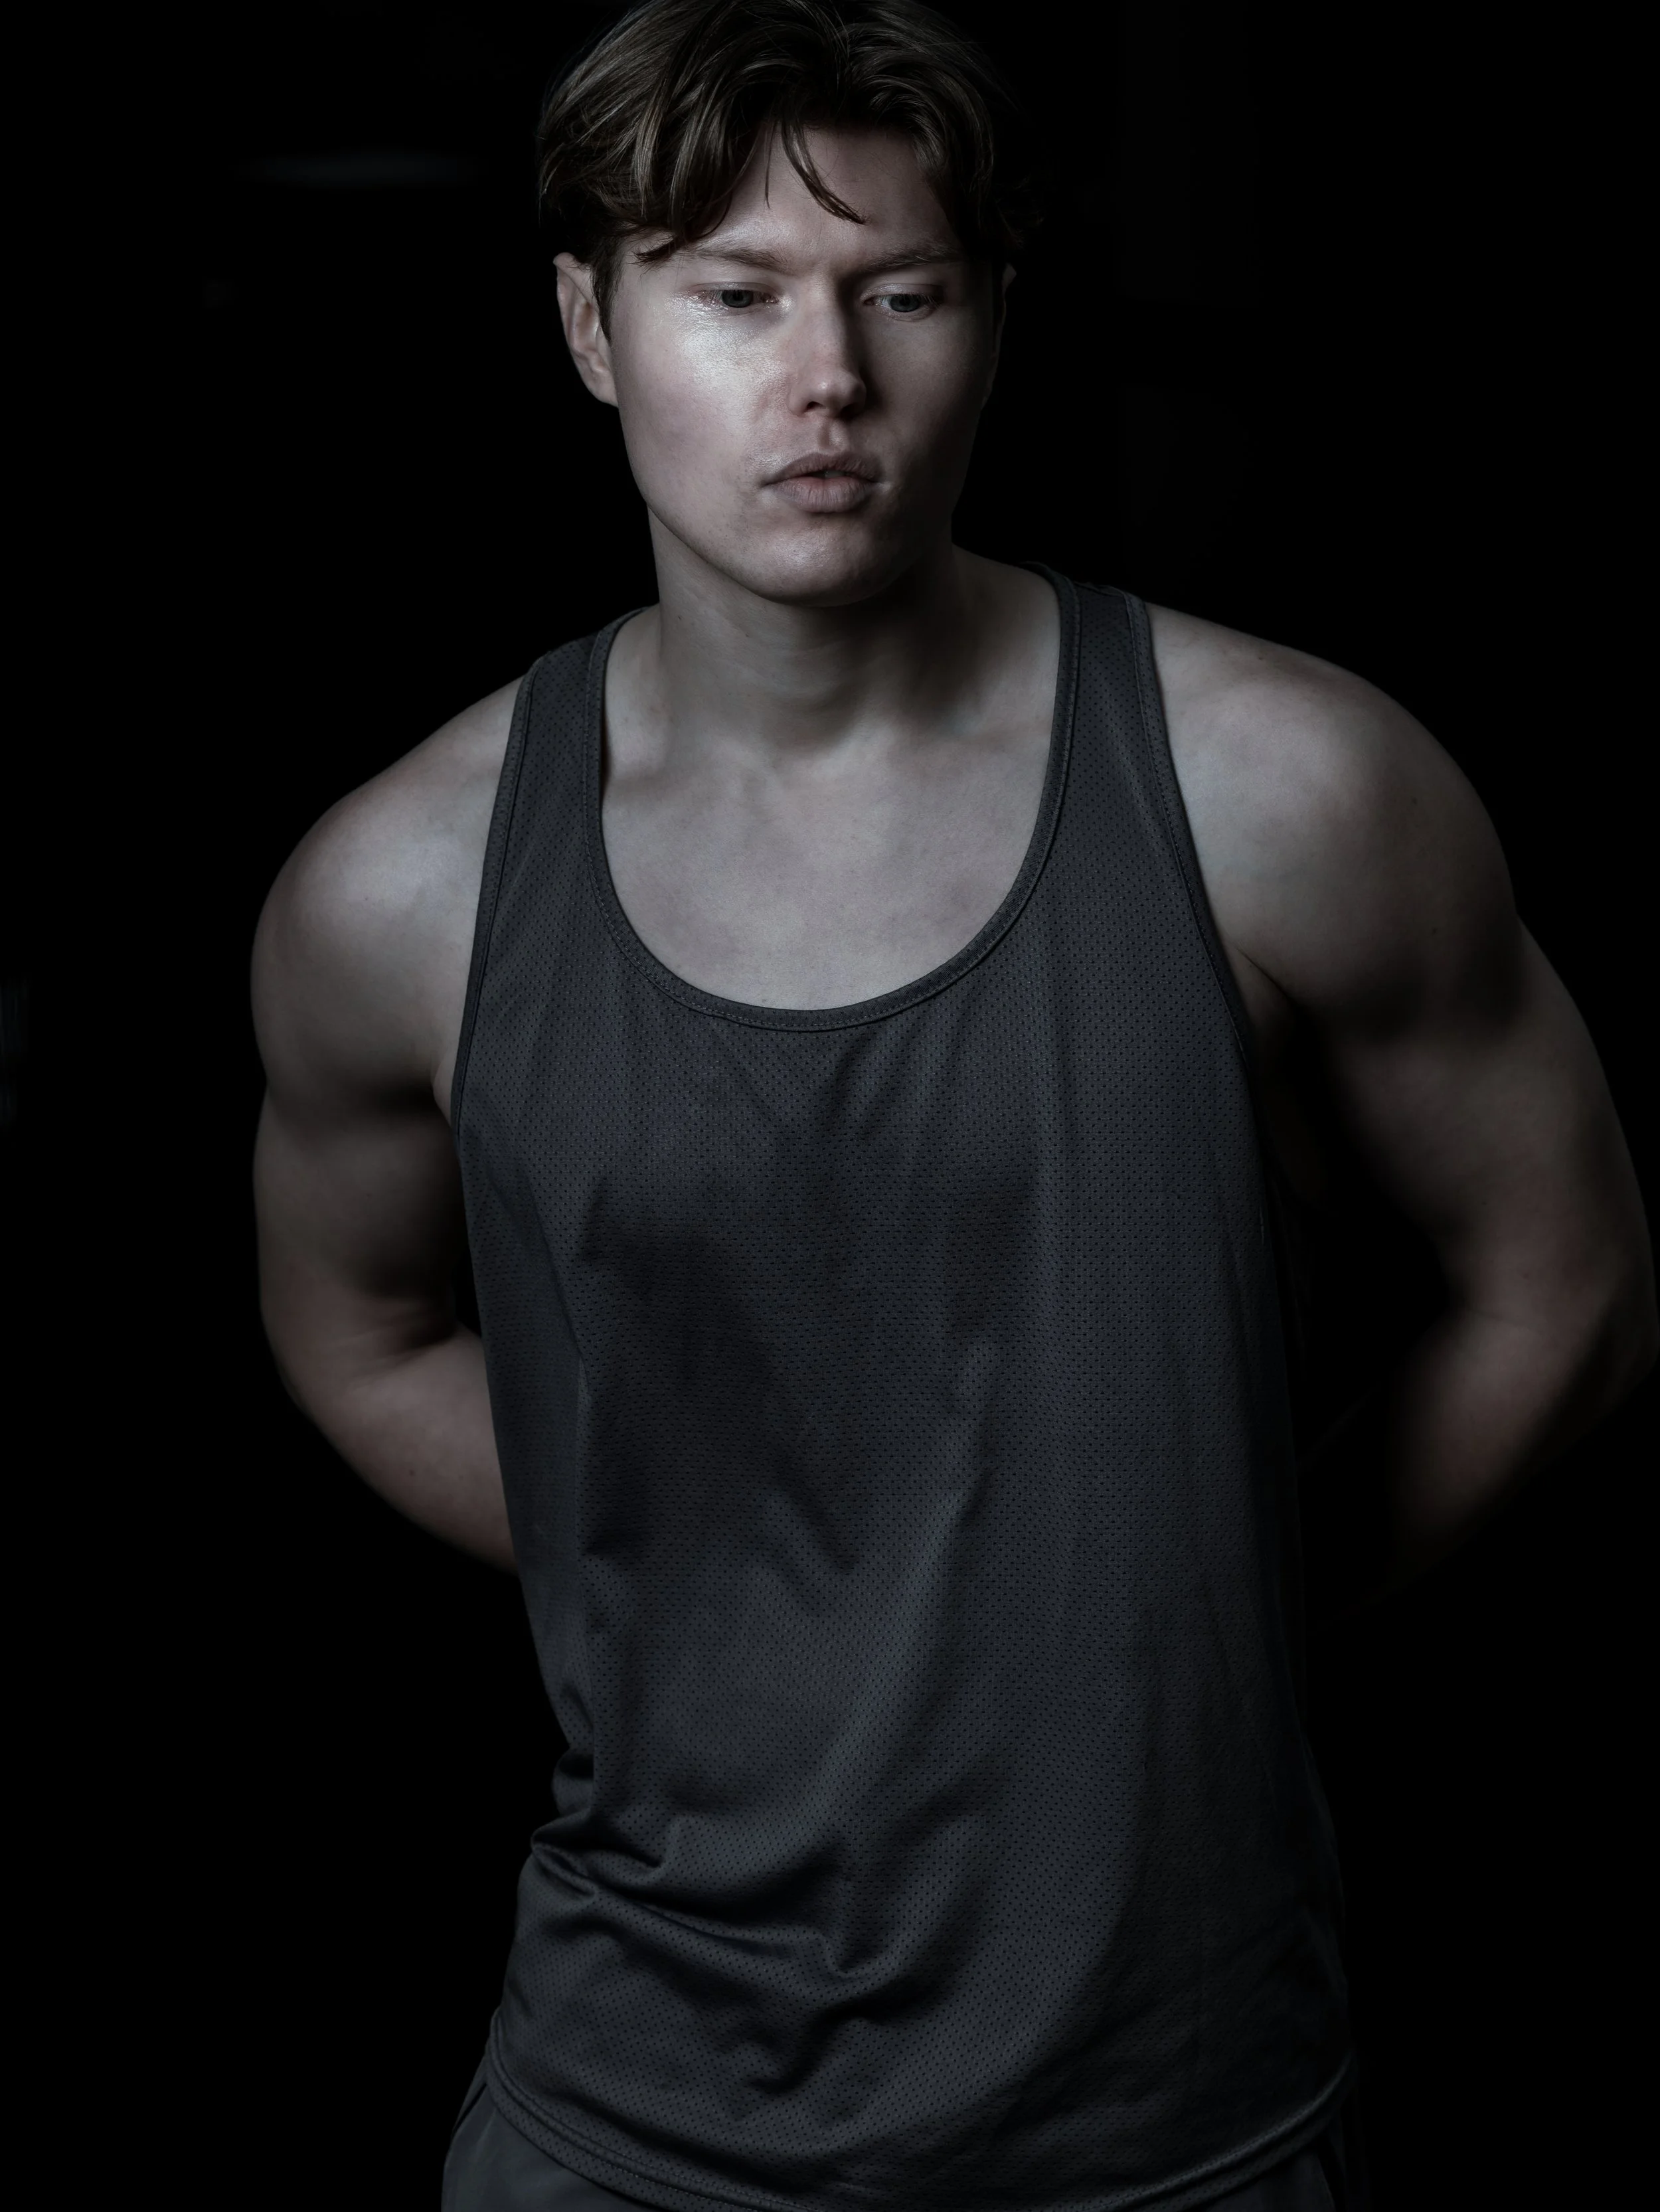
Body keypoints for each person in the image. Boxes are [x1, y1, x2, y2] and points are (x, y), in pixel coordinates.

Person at [250, 3, 1655, 2206]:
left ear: (989, 320)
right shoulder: (400, 892)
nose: (825, 378)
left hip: (1163, 2125)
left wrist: (1188, 1589)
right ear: (591, 327)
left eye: (898, 292)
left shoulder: (1285, 788)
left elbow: (1560, 1284)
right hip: (627, 2120)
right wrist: (700, 1580)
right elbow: (360, 1332)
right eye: (730, 297)